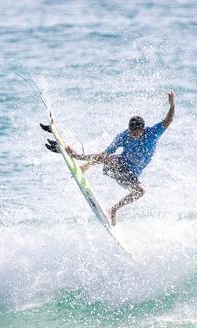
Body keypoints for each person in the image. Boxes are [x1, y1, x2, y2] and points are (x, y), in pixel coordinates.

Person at [65, 91, 175, 226]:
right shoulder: (123, 136)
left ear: (143, 130)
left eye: (135, 134)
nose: (132, 136)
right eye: (130, 132)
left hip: (130, 176)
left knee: (141, 191)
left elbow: (168, 120)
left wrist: (172, 104)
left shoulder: (152, 133)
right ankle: (85, 166)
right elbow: (104, 155)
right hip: (118, 166)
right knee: (109, 158)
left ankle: (113, 209)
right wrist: (78, 156)